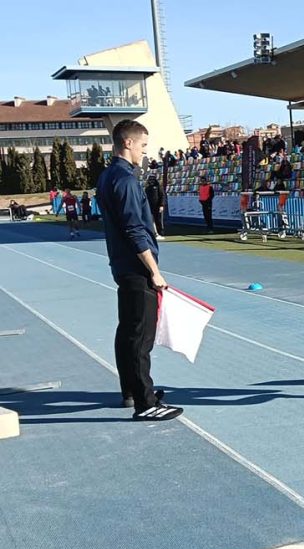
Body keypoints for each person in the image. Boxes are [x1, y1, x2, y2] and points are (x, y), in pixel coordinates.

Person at [98, 119, 183, 421]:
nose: (145, 152)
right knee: (140, 337)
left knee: (127, 332)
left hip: (121, 263)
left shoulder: (107, 176)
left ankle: (132, 390)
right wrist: (154, 271)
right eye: (143, 146)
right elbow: (134, 229)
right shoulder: (125, 180)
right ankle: (145, 404)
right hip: (136, 267)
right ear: (129, 143)